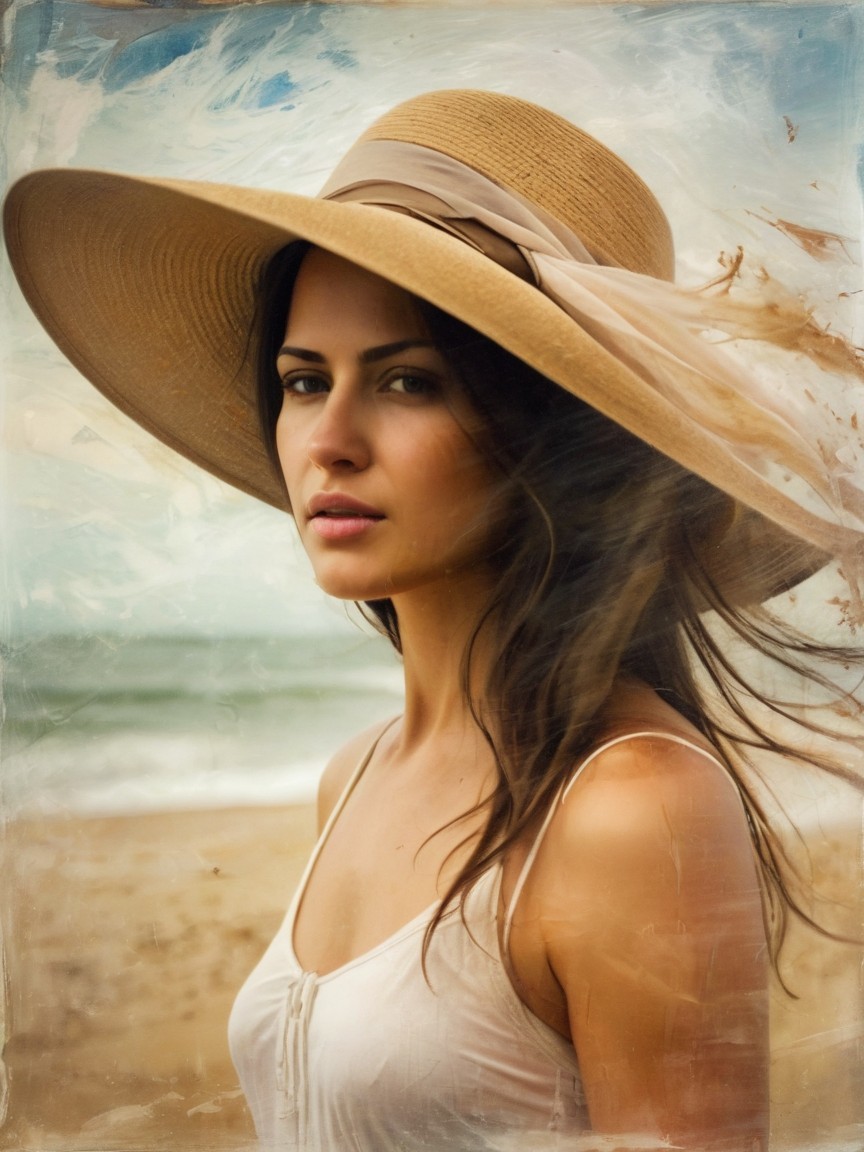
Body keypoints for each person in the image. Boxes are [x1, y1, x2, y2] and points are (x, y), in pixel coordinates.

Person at [4, 89, 863, 1152]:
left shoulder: (634, 806)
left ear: (547, 433)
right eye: (305, 380)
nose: (331, 439)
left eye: (407, 381)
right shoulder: (354, 775)